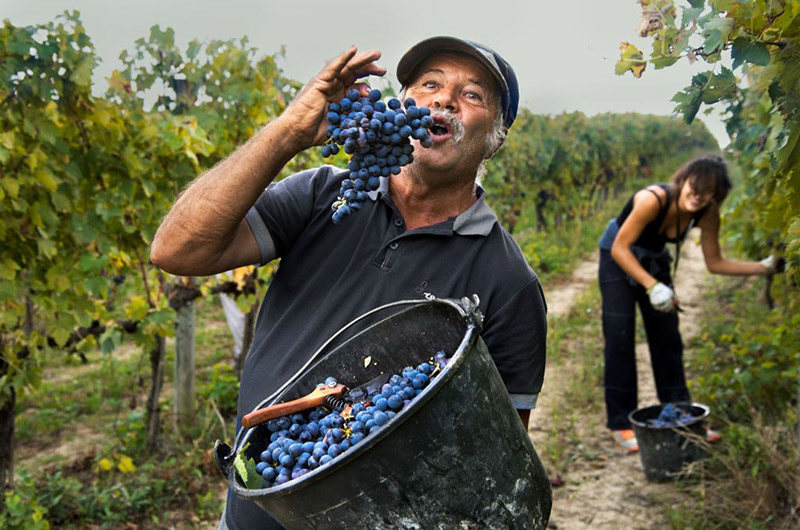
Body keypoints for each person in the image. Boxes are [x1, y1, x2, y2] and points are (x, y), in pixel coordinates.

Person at [150, 36, 547, 530]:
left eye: (472, 95)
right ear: (401, 104)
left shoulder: (507, 280)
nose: (444, 99)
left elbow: (495, 460)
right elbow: (176, 250)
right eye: (429, 84)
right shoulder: (322, 196)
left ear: (497, 137)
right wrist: (289, 132)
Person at [597, 154, 783, 452]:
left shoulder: (707, 213)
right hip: (617, 258)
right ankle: (621, 424)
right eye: (694, 189)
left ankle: (683, 418)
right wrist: (653, 286)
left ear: (716, 195)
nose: (698, 197)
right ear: (683, 181)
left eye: (708, 193)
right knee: (619, 335)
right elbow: (621, 248)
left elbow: (716, 262)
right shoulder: (651, 199)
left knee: (668, 337)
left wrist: (764, 266)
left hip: (654, 260)